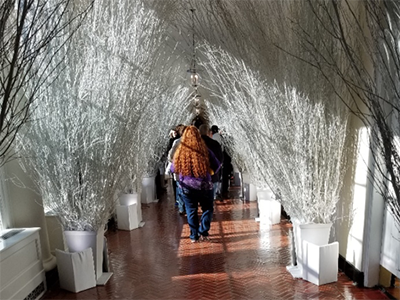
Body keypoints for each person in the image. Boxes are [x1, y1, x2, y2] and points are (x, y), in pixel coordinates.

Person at [170, 126, 221, 242]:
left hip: (186, 187)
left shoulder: (180, 151)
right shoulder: (204, 150)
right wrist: (210, 172)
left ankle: (194, 236)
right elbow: (217, 165)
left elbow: (173, 168)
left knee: (191, 211)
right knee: (207, 209)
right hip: (204, 185)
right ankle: (203, 231)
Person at [199, 124, 223, 200]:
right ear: (209, 133)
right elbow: (221, 159)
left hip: (199, 176)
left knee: (201, 198)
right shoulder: (215, 144)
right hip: (213, 175)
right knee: (210, 199)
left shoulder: (195, 144)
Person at [168, 125, 187, 213]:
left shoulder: (176, 142)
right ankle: (186, 206)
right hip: (188, 171)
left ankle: (181, 207)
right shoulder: (192, 142)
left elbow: (171, 156)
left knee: (179, 188)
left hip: (179, 170)